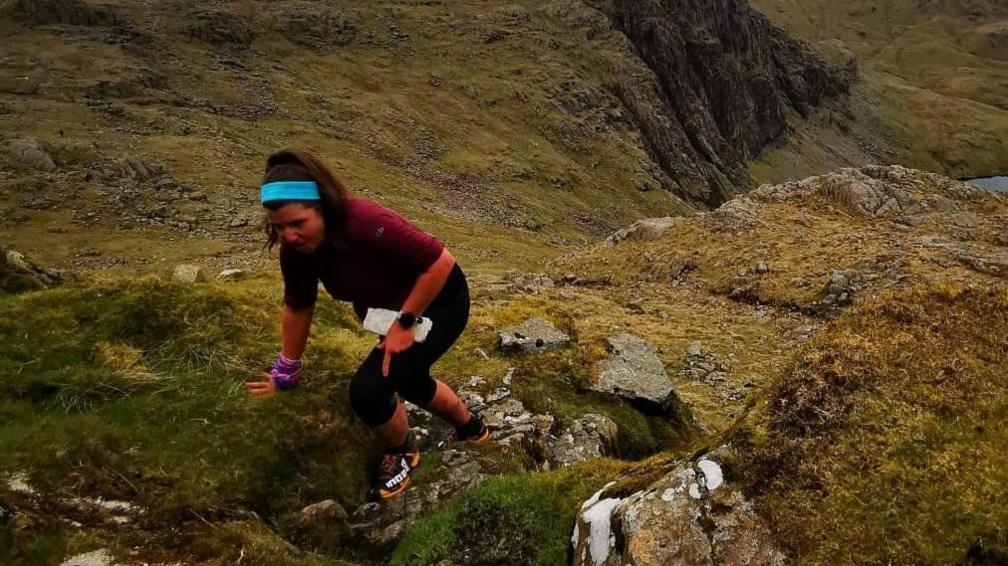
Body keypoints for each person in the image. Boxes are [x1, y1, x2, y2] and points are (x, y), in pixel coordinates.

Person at [244, 148, 489, 500]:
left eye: (298, 223)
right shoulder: (297, 251)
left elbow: (439, 262)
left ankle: (402, 451)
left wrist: (406, 323)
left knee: (369, 391)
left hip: (440, 301)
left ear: (323, 206)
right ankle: (472, 426)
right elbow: (298, 306)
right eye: (279, 227)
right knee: (409, 378)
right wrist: (287, 370)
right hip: (388, 314)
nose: (290, 236)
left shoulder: (365, 222)